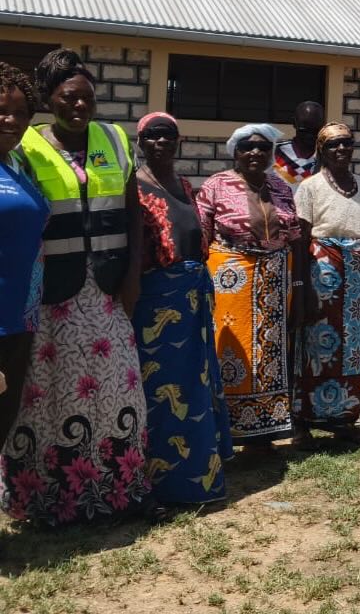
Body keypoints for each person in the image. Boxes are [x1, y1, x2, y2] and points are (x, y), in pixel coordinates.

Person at [2, 48, 150, 525]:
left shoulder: (116, 139)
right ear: (49, 100)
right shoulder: (26, 144)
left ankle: (115, 492)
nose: (80, 106)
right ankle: (48, 500)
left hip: (106, 292)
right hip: (51, 296)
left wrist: (131, 280)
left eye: (87, 97)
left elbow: (134, 213)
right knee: (50, 395)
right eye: (68, 97)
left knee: (116, 393)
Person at [133, 111, 233, 505]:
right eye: (152, 135)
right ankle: (161, 485)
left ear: (179, 143)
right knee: (162, 393)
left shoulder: (186, 185)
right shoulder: (134, 187)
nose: (160, 141)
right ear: (140, 143)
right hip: (157, 304)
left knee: (196, 387)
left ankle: (198, 480)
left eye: (168, 135)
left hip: (194, 302)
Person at [196, 124, 302, 449]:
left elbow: (295, 236)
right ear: (235, 153)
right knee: (231, 352)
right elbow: (201, 235)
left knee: (268, 353)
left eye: (262, 147)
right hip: (231, 281)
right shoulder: (215, 185)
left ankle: (265, 431)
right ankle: (229, 430)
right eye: (247, 147)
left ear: (272, 154)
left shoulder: (281, 187)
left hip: (272, 283)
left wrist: (298, 284)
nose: (255, 153)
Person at [292, 123, 360, 447]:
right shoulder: (310, 187)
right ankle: (303, 422)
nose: (341, 149)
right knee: (317, 346)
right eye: (333, 145)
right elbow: (300, 241)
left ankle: (344, 418)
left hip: (357, 273)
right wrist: (302, 287)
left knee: (352, 349)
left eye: (346, 143)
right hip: (321, 273)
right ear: (321, 151)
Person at [0, 62, 49, 450]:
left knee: (4, 419)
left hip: (19, 319)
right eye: (2, 109)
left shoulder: (18, 166)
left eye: (20, 113)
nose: (11, 119)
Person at [273, 101, 325, 191]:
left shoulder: (327, 157)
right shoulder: (274, 152)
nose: (310, 134)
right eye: (305, 128)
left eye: (316, 129)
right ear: (294, 123)